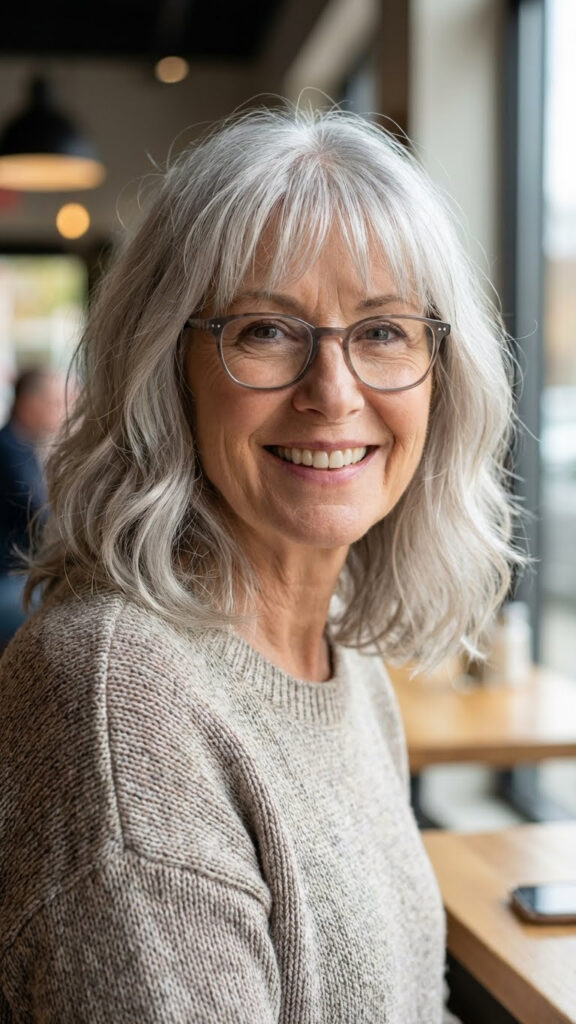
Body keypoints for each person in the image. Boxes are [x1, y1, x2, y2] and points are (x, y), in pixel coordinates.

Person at [0, 106, 519, 1023]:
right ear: (166, 370)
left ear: (444, 375)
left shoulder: (339, 656)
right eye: (265, 332)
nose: (333, 392)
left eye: (384, 331)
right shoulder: (117, 702)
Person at [0, 367, 66, 650]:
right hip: (8, 582)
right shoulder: (8, 451)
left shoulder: (22, 446)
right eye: (54, 403)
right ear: (29, 404)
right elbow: (44, 518)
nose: (62, 411)